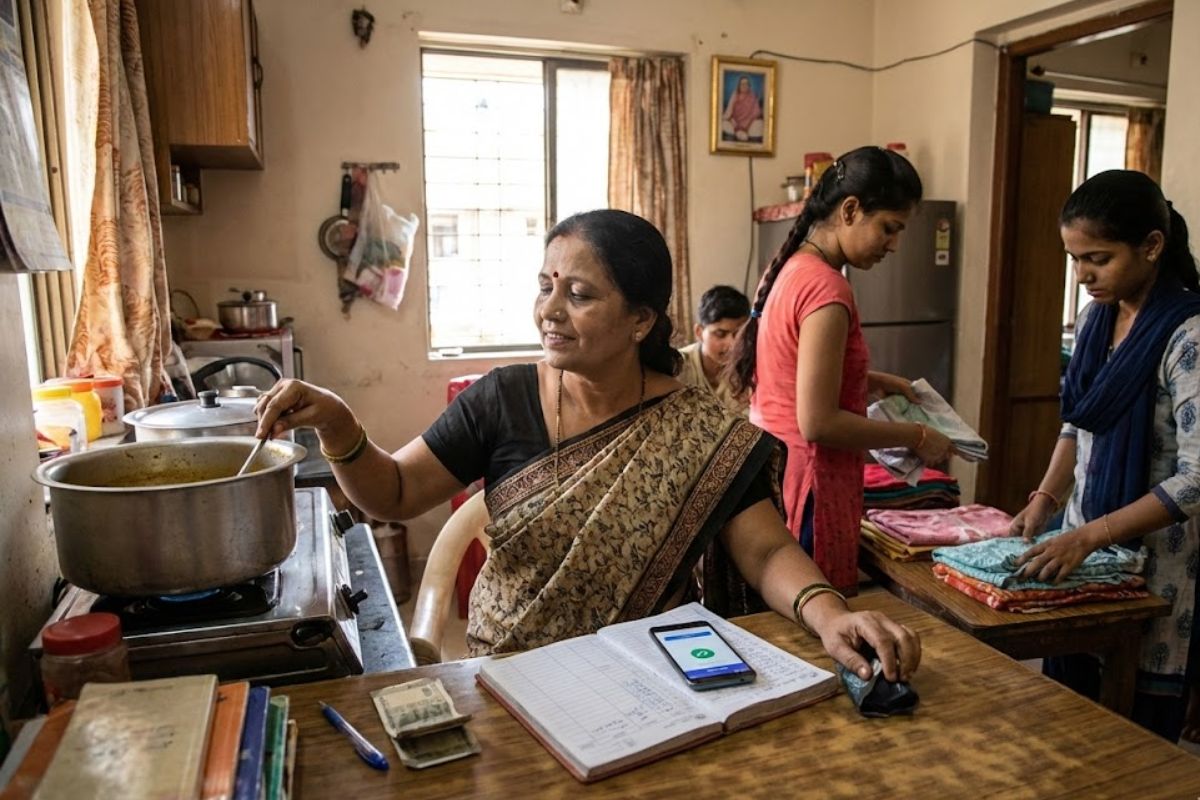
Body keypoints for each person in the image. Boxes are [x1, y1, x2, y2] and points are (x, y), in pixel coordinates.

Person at [255, 209, 920, 683]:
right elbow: (395, 493)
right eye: (546, 287)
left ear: (640, 320)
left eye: (578, 295)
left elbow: (767, 548)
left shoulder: (700, 430)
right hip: (509, 678)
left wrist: (830, 612)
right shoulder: (503, 399)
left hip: (649, 678)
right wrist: (342, 430)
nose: (549, 310)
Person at [1011, 169, 1200, 742]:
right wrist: (1045, 501)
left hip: (1158, 565)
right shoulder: (1099, 321)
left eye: (1097, 257)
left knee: (1130, 734)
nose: (1082, 275)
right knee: (1067, 721)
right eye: (1074, 259)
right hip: (1083, 546)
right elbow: (1079, 422)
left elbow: (1197, 478)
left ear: (1151, 245)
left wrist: (1090, 536)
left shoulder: (1186, 334)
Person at [727, 146, 955, 592]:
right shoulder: (827, 289)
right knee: (819, 627)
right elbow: (818, 422)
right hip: (809, 485)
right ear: (850, 210)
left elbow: (792, 374)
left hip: (776, 472)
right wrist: (919, 437)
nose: (894, 244)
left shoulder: (792, 268)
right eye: (889, 228)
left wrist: (876, 382)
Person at [677, 285, 750, 414]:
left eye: (739, 334)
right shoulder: (677, 367)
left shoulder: (749, 367)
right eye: (720, 334)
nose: (732, 344)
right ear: (699, 332)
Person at [721, 75, 764, 142]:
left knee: (760, 124)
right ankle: (739, 132)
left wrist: (756, 114)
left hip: (750, 123)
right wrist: (726, 118)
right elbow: (729, 111)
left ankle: (745, 133)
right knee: (723, 124)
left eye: (746, 84)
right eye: (742, 84)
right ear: (739, 85)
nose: (744, 85)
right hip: (735, 122)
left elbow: (757, 112)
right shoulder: (735, 94)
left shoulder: (752, 96)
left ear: (749, 85)